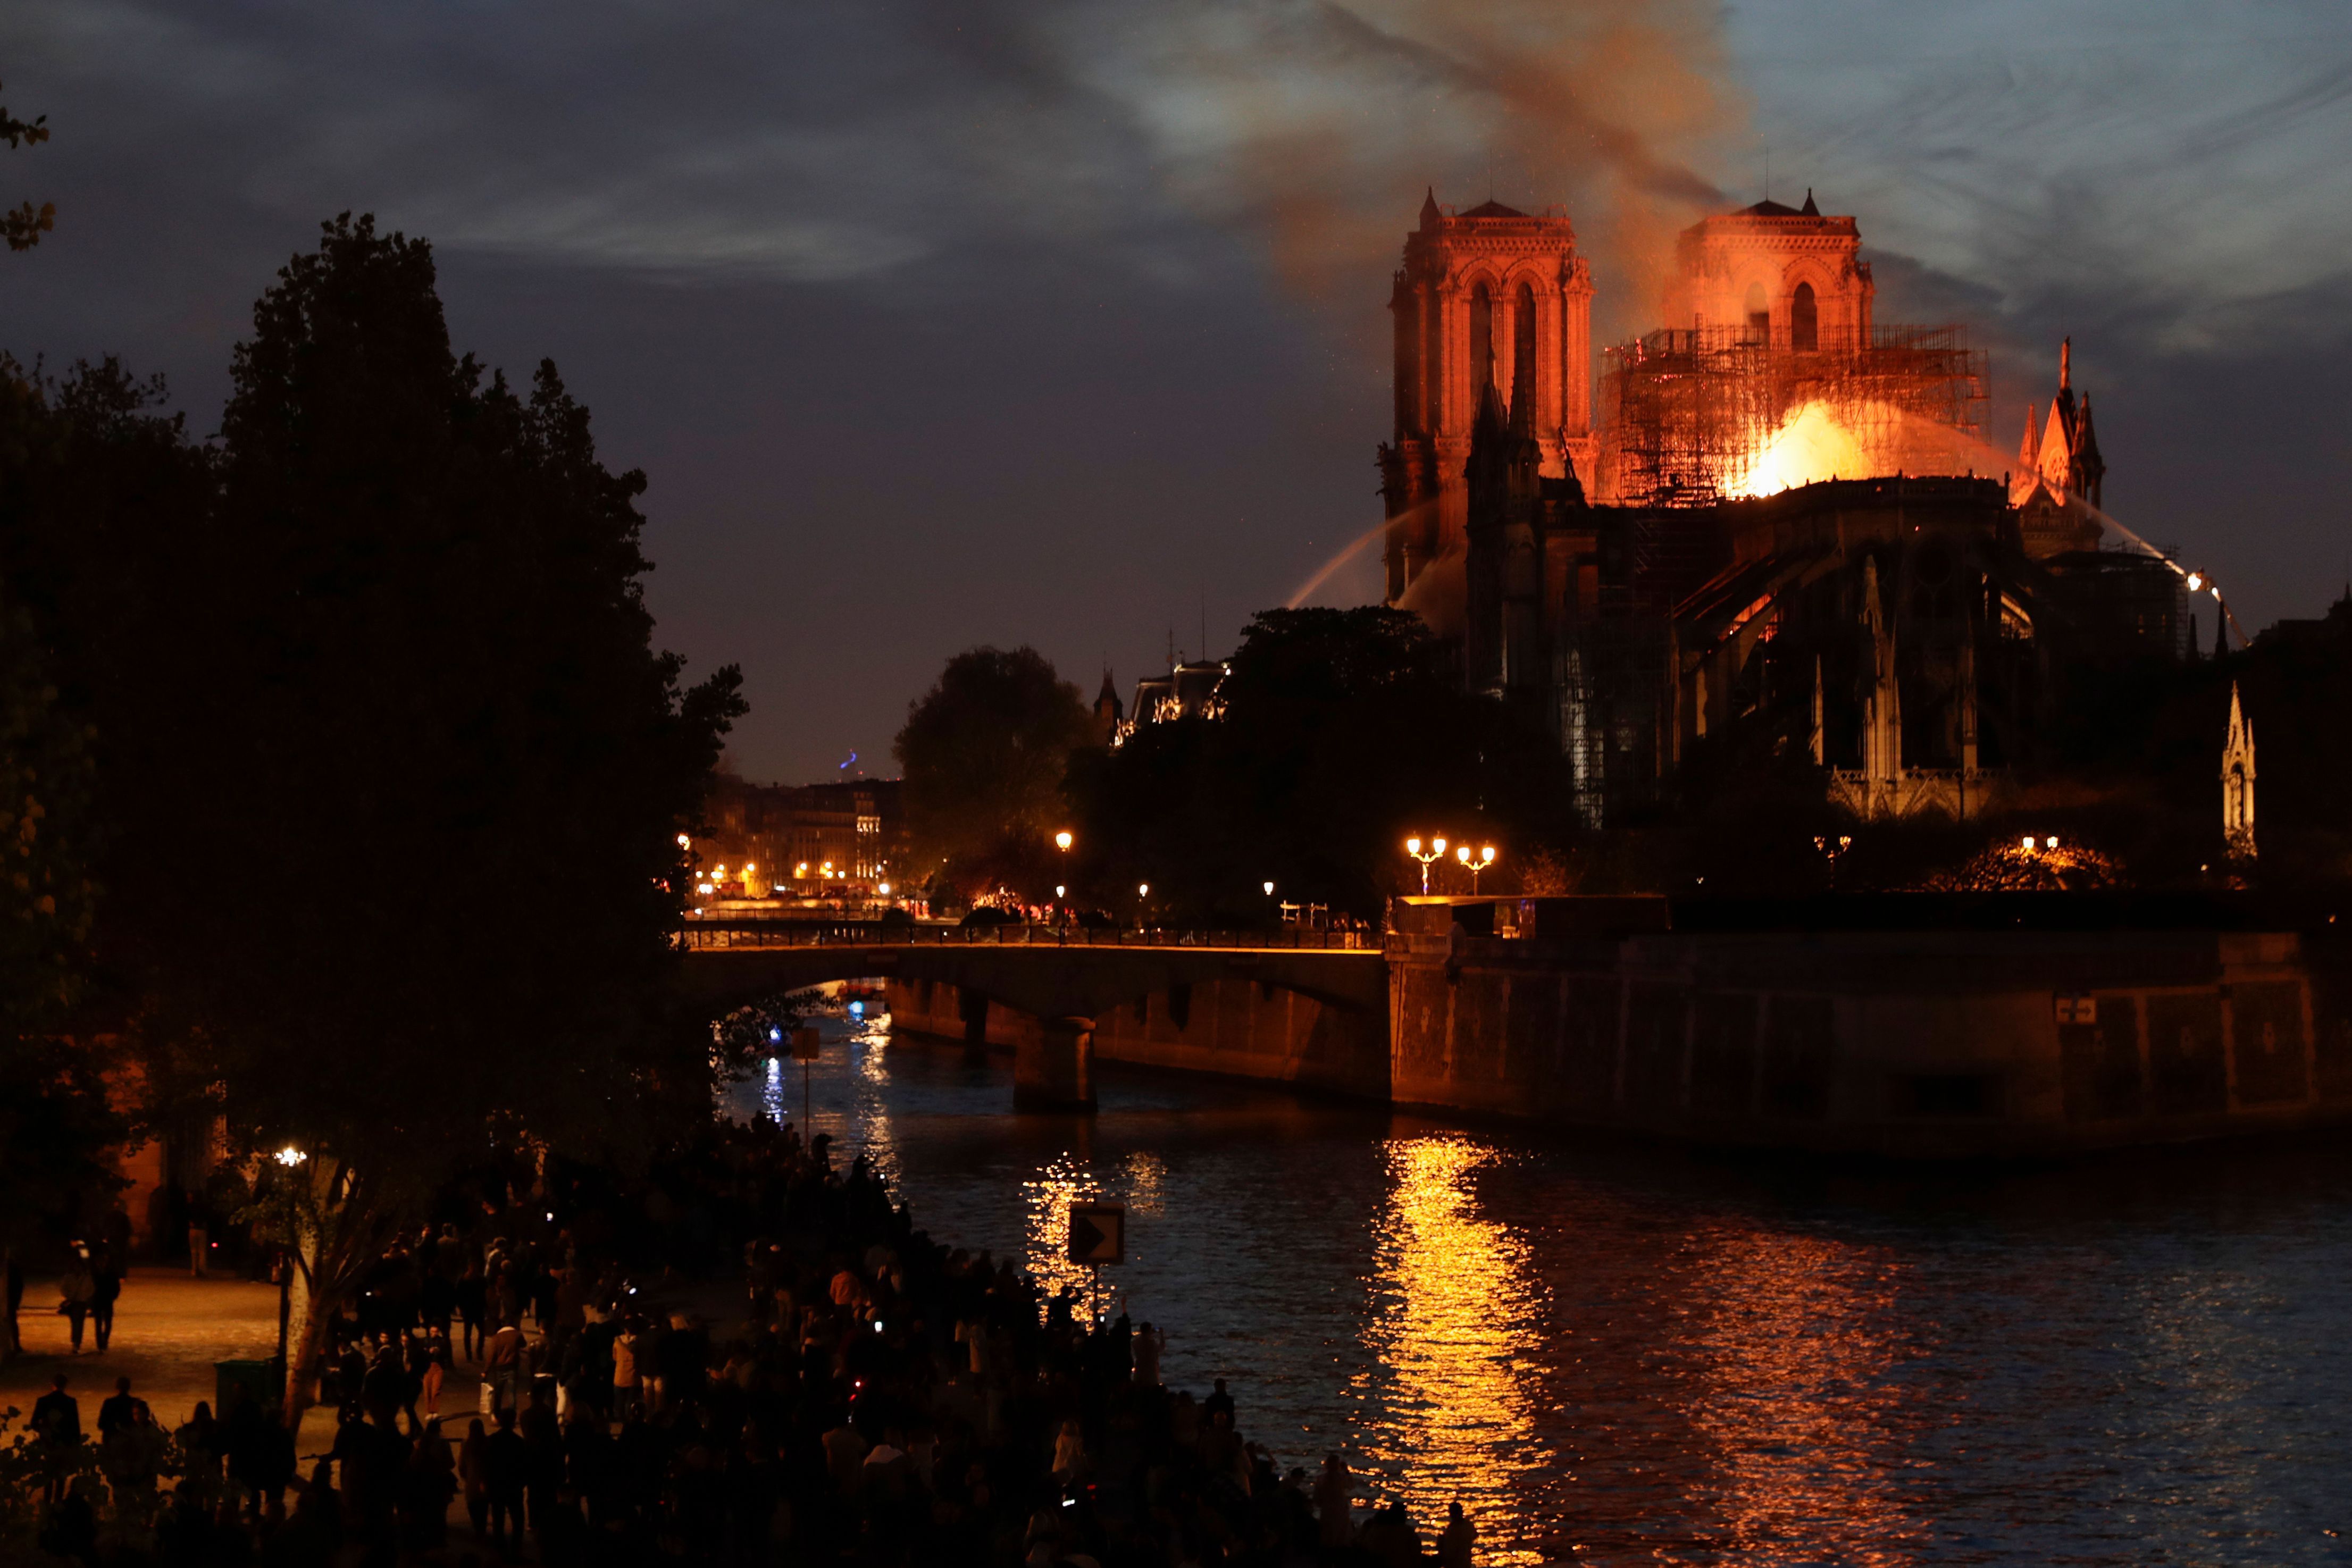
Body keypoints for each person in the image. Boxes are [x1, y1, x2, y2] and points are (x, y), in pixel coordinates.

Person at [31, 1373, 81, 1504]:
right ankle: (58, 1504)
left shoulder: (43, 1401)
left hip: (48, 1444)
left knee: (48, 1477)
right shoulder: (70, 1402)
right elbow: (75, 1426)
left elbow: (34, 1423)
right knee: (61, 1478)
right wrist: (76, 1444)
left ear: (52, 1385)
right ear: (65, 1385)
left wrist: (45, 1431)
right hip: (64, 1444)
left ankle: (47, 1506)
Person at [458, 1416, 492, 1540]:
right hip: (484, 1480)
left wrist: (464, 1475)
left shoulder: (466, 1444)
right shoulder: (488, 1443)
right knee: (483, 1507)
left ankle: (478, 1530)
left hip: (472, 1480)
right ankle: (481, 1529)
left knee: (473, 1506)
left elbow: (461, 1464)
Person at [57, 1248, 95, 1353]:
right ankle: (76, 1341)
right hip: (74, 1302)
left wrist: (85, 1296)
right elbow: (64, 1289)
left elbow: (91, 1289)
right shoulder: (70, 1277)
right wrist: (70, 1296)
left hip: (81, 1302)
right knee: (75, 1322)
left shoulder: (87, 1277)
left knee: (79, 1323)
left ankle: (77, 1342)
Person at [89, 1250, 123, 1352]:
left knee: (107, 1322)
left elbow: (116, 1287)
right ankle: (101, 1344)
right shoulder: (95, 1273)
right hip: (99, 1299)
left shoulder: (110, 1273)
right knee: (99, 1323)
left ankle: (104, 1340)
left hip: (107, 1299)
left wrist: (113, 1296)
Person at [96, 1375, 141, 1439]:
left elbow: (101, 1425)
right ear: (129, 1387)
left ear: (117, 1387)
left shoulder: (109, 1403)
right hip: (131, 1440)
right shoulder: (136, 1402)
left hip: (112, 1439)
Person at [1439, 1499, 1477, 1567]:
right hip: (1466, 1563)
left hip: (1454, 1564)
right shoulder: (1469, 1525)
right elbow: (1475, 1535)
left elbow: (1449, 1550)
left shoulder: (1453, 1530)